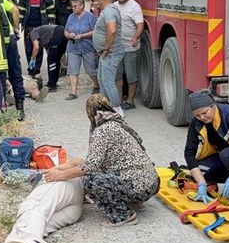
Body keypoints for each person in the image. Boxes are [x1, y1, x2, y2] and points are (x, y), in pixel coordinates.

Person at [43, 95, 159, 226]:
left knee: (90, 180)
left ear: (89, 113)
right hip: (151, 183)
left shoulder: (102, 130)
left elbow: (90, 166)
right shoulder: (118, 122)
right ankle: (135, 202)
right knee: (109, 171)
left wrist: (60, 175)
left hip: (138, 187)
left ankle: (123, 216)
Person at [0, 0, 27, 120]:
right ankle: (16, 105)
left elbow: (15, 9)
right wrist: (14, 28)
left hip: (0, 39)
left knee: (4, 73)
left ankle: (10, 105)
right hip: (9, 36)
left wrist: (15, 28)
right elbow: (15, 10)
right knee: (13, 71)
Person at [110, 0, 144, 110]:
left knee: (131, 75)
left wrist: (135, 37)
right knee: (117, 75)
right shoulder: (113, 7)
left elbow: (140, 25)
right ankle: (118, 101)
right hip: (117, 47)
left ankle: (130, 101)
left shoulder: (134, 7)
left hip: (130, 47)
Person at [92, 0, 125, 116]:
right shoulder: (109, 10)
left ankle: (117, 109)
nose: (97, 1)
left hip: (110, 53)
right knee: (101, 79)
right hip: (106, 53)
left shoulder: (109, 12)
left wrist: (105, 48)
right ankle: (103, 106)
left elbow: (112, 30)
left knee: (108, 81)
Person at [18, 0, 55, 76]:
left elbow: (51, 10)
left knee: (39, 49)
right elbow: (20, 10)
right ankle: (31, 69)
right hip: (29, 26)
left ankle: (36, 70)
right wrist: (19, 23)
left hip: (41, 27)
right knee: (29, 49)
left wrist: (51, 23)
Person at [63, 0, 99, 100]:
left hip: (87, 47)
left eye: (75, 6)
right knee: (73, 70)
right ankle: (73, 92)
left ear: (82, 5)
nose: (73, 8)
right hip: (73, 47)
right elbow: (66, 30)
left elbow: (96, 31)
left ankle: (96, 85)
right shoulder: (71, 17)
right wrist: (69, 35)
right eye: (72, 6)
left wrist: (83, 35)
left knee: (91, 69)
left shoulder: (90, 17)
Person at [28, 23, 67, 92]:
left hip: (57, 34)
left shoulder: (32, 32)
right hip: (62, 32)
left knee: (51, 61)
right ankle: (54, 82)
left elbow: (36, 47)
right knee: (56, 60)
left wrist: (32, 58)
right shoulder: (43, 33)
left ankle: (52, 85)